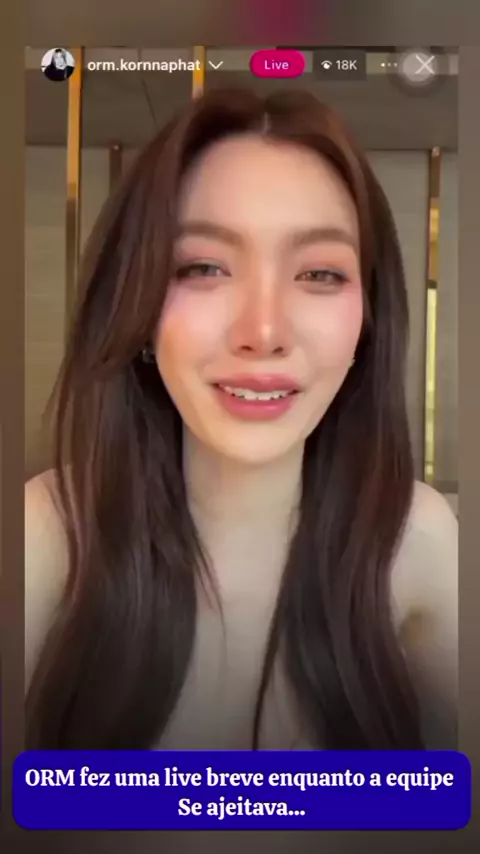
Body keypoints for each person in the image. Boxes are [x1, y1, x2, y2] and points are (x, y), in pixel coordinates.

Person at [25, 87, 458, 751]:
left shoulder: (415, 541)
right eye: (203, 267)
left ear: (368, 322)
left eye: (319, 274)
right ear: (137, 309)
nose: (264, 332)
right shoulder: (46, 537)